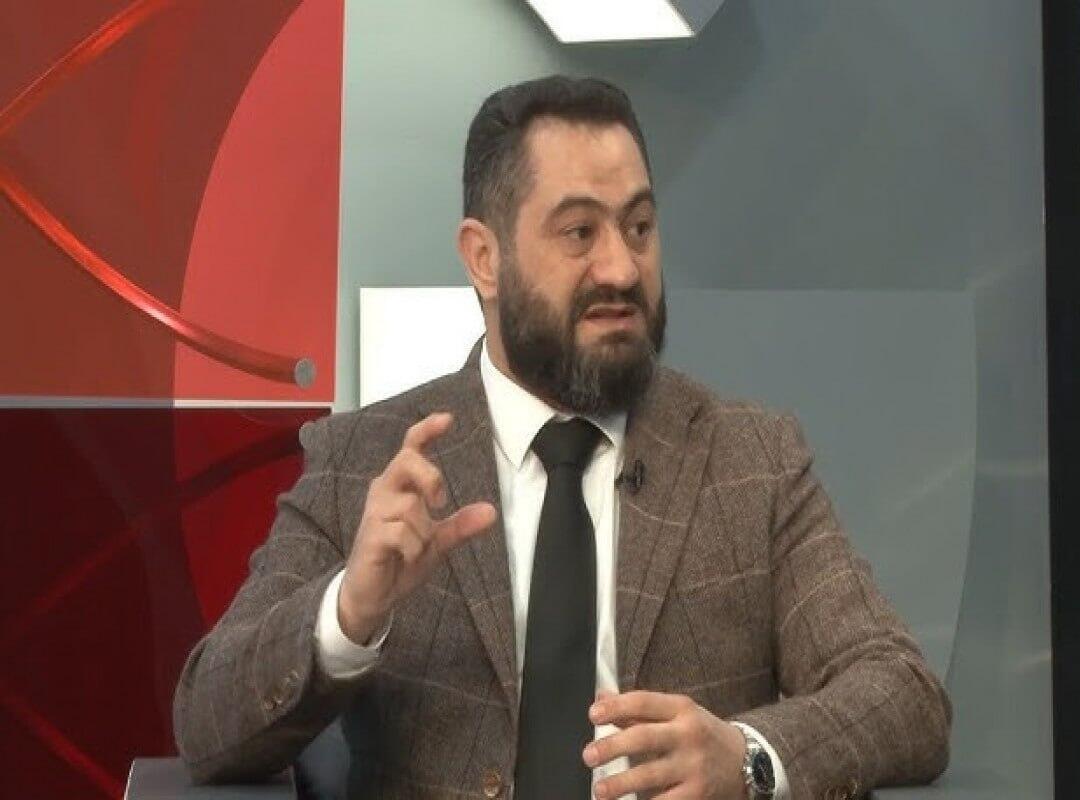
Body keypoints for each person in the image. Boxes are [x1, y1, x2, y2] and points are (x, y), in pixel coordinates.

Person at [173, 75, 951, 800]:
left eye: (639, 227)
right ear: (485, 258)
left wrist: (747, 756)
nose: (622, 268)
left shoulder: (752, 461)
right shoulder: (368, 464)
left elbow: (903, 693)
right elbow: (207, 723)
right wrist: (349, 612)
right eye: (580, 232)